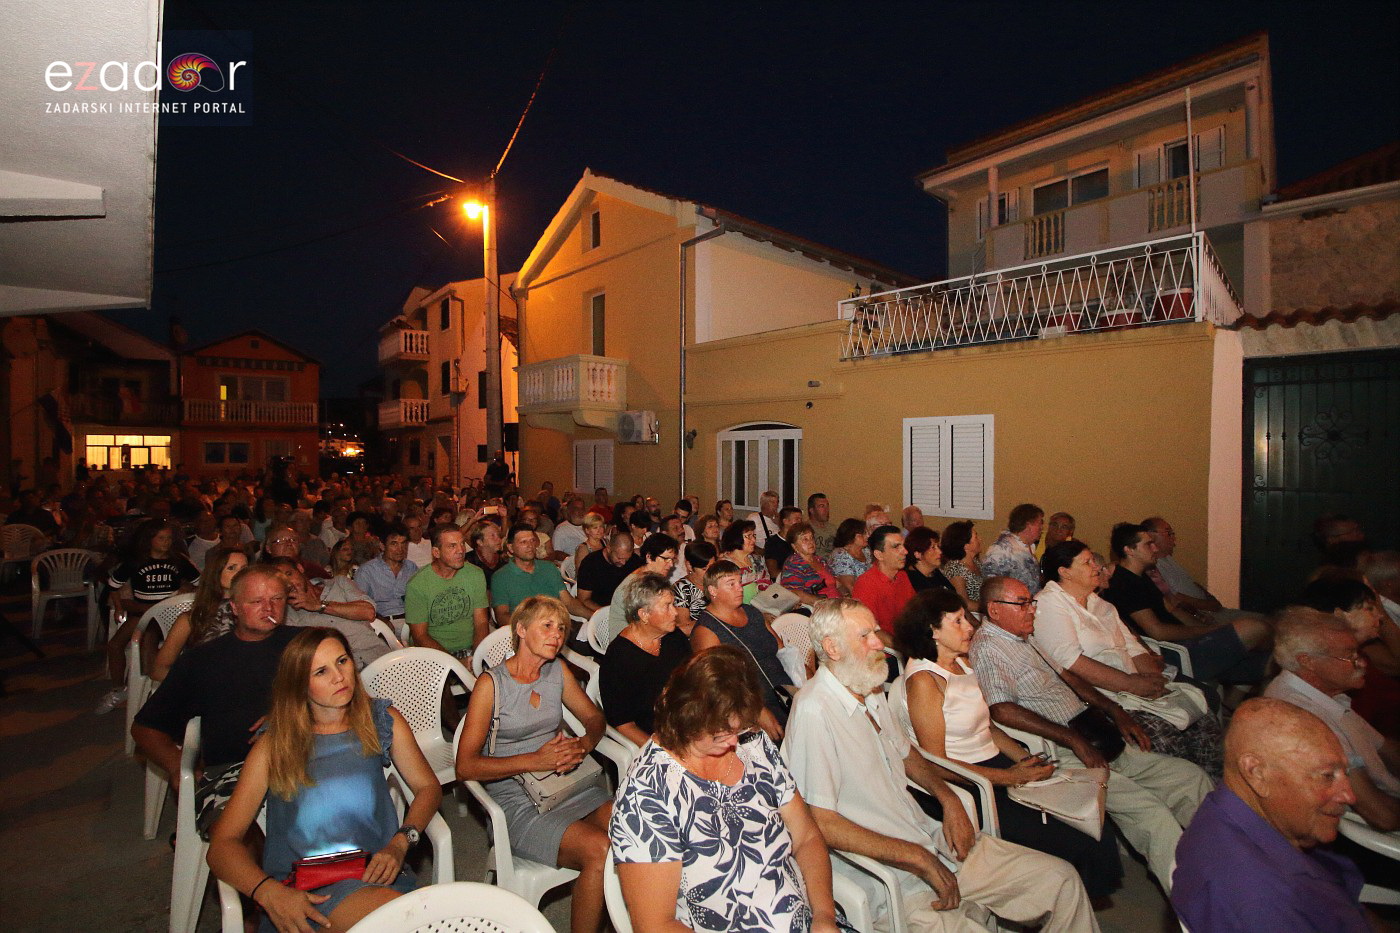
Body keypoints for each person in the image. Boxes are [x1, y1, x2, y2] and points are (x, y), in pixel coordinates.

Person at [784, 598, 1100, 932]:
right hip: (890, 877)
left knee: (1062, 880)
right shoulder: (814, 711)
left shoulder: (867, 687)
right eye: (865, 636)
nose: (880, 643)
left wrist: (947, 798)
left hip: (929, 839)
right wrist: (916, 857)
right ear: (832, 647)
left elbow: (908, 754)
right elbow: (819, 821)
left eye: (876, 631)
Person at [968, 576, 1213, 892]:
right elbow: (1001, 709)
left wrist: (1115, 710)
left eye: (1032, 601)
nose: (1032, 610)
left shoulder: (1024, 636)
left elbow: (1068, 676)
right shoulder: (989, 647)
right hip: (1063, 748)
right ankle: (1196, 902)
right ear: (995, 609)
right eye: (1023, 603)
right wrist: (1073, 740)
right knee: (1151, 814)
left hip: (1092, 732)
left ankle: (1222, 860)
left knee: (1190, 778)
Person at [207, 628, 442, 933]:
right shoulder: (276, 744)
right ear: (299, 686)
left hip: (377, 874)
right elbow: (222, 845)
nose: (339, 676)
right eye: (321, 671)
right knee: (410, 921)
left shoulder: (381, 721)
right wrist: (268, 892)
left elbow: (428, 787)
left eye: (342, 661)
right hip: (304, 893)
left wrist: (401, 841)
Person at [893, 589, 1123, 901]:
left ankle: (1080, 901)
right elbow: (936, 762)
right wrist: (1009, 778)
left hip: (999, 768)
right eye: (957, 621)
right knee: (1075, 841)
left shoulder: (963, 664)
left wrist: (1026, 760)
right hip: (972, 783)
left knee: (1092, 822)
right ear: (932, 631)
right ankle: (1068, 903)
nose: (970, 627)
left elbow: (988, 725)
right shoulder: (924, 682)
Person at [610, 646, 845, 932]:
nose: (734, 742)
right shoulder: (648, 796)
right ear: (686, 717)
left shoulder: (752, 744)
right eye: (721, 733)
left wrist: (823, 916)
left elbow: (806, 837)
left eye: (738, 729)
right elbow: (656, 925)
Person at [455, 596, 613, 933]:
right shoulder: (491, 685)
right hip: (517, 801)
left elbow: (594, 717)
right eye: (547, 625)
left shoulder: (557, 671)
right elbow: (465, 767)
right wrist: (533, 760)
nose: (557, 634)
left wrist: (582, 746)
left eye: (561, 628)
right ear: (521, 630)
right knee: (599, 850)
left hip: (566, 785)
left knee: (631, 826)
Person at [1171, 698, 1371, 933]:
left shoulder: (1234, 815)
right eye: (1327, 776)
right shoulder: (1257, 898)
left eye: (1344, 773)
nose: (1349, 796)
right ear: (1256, 773)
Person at [132, 566, 300, 836]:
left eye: (277, 599)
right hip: (232, 772)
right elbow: (145, 727)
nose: (268, 607)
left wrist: (291, 716)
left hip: (305, 759)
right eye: (256, 601)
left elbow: (350, 701)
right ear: (234, 607)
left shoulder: (305, 645)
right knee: (241, 835)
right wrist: (178, 767)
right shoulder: (202, 660)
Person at [1036, 541, 1223, 779]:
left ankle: (1212, 788)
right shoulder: (1050, 603)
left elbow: (1133, 647)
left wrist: (1153, 681)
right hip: (1097, 696)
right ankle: (1184, 790)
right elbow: (1070, 662)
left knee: (1201, 714)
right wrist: (1133, 684)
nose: (1096, 566)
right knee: (1163, 734)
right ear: (1065, 572)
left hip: (1132, 686)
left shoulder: (1101, 605)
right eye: (1087, 562)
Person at [1262, 609, 1400, 831]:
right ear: (1308, 662)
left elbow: (1387, 750)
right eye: (1349, 656)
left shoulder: (1329, 696)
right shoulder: (1305, 717)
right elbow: (1380, 815)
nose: (1362, 663)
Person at [1102, 522, 1270, 684]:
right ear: (1129, 550)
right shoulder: (1124, 583)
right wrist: (1212, 630)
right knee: (1254, 627)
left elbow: (1173, 610)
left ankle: (1235, 700)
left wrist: (1208, 630)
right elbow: (1157, 631)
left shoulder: (1141, 576)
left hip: (1189, 643)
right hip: (1175, 652)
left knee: (1268, 655)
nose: (1155, 548)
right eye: (1149, 545)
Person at [97, 518, 202, 714]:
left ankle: (152, 689)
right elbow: (113, 586)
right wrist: (119, 607)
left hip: (172, 614)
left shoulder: (178, 560)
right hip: (144, 612)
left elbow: (201, 582)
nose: (166, 542)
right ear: (149, 540)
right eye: (161, 538)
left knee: (150, 639)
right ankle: (119, 689)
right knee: (115, 644)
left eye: (169, 538)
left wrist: (187, 587)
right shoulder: (136, 561)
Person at [690, 560, 792, 736]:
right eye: (731, 584)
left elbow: (781, 649)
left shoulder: (752, 612)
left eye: (739, 582)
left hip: (786, 692)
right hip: (751, 706)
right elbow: (718, 684)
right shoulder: (706, 631)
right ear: (713, 591)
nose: (740, 588)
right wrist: (757, 711)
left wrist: (805, 677)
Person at [599, 573, 692, 747]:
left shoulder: (673, 637)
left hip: (688, 722)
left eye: (674, 604)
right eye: (667, 606)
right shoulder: (619, 659)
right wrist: (662, 752)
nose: (675, 613)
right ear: (644, 614)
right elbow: (624, 725)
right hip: (656, 736)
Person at [151, 545, 247, 682]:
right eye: (231, 568)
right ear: (216, 573)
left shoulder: (254, 613)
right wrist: (195, 682)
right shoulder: (191, 618)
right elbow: (158, 670)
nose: (240, 574)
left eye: (244, 569)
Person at [404, 525, 490, 659]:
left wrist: (477, 657)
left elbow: (481, 622)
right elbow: (420, 636)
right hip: (434, 654)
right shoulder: (417, 584)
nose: (461, 550)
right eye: (452, 546)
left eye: (462, 544)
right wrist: (454, 663)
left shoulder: (475, 574)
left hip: (471, 649)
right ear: (436, 552)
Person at [492, 523, 586, 626]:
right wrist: (529, 630)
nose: (530, 546)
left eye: (532, 540)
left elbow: (568, 602)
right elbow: (502, 615)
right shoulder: (501, 577)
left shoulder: (548, 568)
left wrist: (592, 615)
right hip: (527, 631)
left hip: (556, 624)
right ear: (511, 548)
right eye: (523, 542)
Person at [599, 534, 679, 652]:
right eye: (666, 559)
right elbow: (640, 627)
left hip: (648, 631)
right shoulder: (632, 587)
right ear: (649, 557)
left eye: (673, 559)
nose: (671, 564)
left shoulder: (654, 580)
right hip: (626, 644)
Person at [852, 524, 916, 638]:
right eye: (896, 547)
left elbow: (916, 610)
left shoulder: (902, 576)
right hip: (887, 650)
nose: (905, 551)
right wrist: (904, 649)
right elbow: (870, 630)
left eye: (904, 545)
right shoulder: (866, 584)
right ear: (879, 555)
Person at [355, 522, 418, 625]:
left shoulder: (411, 567)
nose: (400, 549)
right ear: (382, 545)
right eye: (394, 544)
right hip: (382, 622)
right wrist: (380, 620)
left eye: (403, 543)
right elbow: (360, 605)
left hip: (411, 621)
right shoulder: (367, 571)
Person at [981, 504, 1045, 595]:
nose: (1041, 528)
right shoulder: (1001, 550)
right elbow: (991, 586)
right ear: (1028, 525)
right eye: (1040, 523)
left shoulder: (1029, 546)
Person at [575, 530, 642, 614]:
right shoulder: (591, 563)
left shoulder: (634, 561)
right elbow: (583, 599)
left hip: (627, 609)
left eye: (626, 559)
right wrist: (608, 612)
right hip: (601, 611)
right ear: (609, 549)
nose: (623, 562)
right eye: (619, 558)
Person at [780, 521, 842, 608]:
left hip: (836, 604)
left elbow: (837, 583)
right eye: (805, 539)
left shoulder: (821, 561)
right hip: (817, 609)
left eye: (812, 538)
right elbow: (795, 593)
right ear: (794, 546)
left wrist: (846, 597)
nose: (810, 542)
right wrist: (824, 604)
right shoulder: (794, 563)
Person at [718, 519, 770, 602]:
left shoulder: (757, 560)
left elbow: (766, 583)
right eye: (749, 536)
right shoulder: (725, 564)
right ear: (736, 538)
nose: (753, 540)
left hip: (761, 605)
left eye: (754, 536)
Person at [672, 540, 715, 629]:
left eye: (712, 567)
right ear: (689, 565)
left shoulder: (717, 580)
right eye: (704, 569)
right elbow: (684, 627)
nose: (710, 572)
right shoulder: (681, 589)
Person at [940, 520, 984, 606]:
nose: (980, 539)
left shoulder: (976, 562)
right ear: (966, 546)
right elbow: (963, 602)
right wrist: (989, 608)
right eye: (976, 537)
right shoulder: (955, 569)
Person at [905, 527, 955, 594]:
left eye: (938, 547)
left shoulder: (935, 572)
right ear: (918, 554)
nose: (940, 552)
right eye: (933, 547)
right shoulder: (912, 580)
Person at [830, 518, 872, 596]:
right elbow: (849, 586)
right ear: (851, 535)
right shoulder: (841, 554)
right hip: (854, 598)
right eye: (863, 533)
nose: (868, 536)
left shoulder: (866, 551)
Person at [764, 505, 804, 579]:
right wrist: (796, 574)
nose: (800, 522)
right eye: (797, 519)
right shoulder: (773, 543)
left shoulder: (801, 540)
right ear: (785, 521)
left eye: (801, 519)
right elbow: (773, 572)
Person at [464, 519, 505, 587]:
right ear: (480, 542)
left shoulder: (503, 559)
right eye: (493, 536)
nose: (499, 539)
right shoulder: (468, 561)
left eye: (498, 535)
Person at [807, 492, 836, 560]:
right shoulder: (806, 529)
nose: (826, 510)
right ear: (812, 510)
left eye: (827, 506)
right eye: (822, 506)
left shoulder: (833, 529)